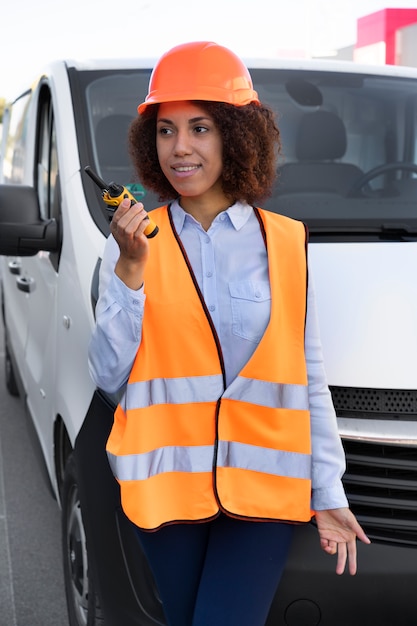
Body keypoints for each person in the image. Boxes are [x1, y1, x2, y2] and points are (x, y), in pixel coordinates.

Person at [88, 41, 370, 626]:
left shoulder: (286, 242)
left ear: (237, 135)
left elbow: (307, 380)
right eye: (165, 131)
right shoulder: (133, 244)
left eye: (200, 128)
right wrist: (130, 271)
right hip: (165, 492)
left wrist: (329, 491)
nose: (180, 148)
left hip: (264, 496)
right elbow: (109, 376)